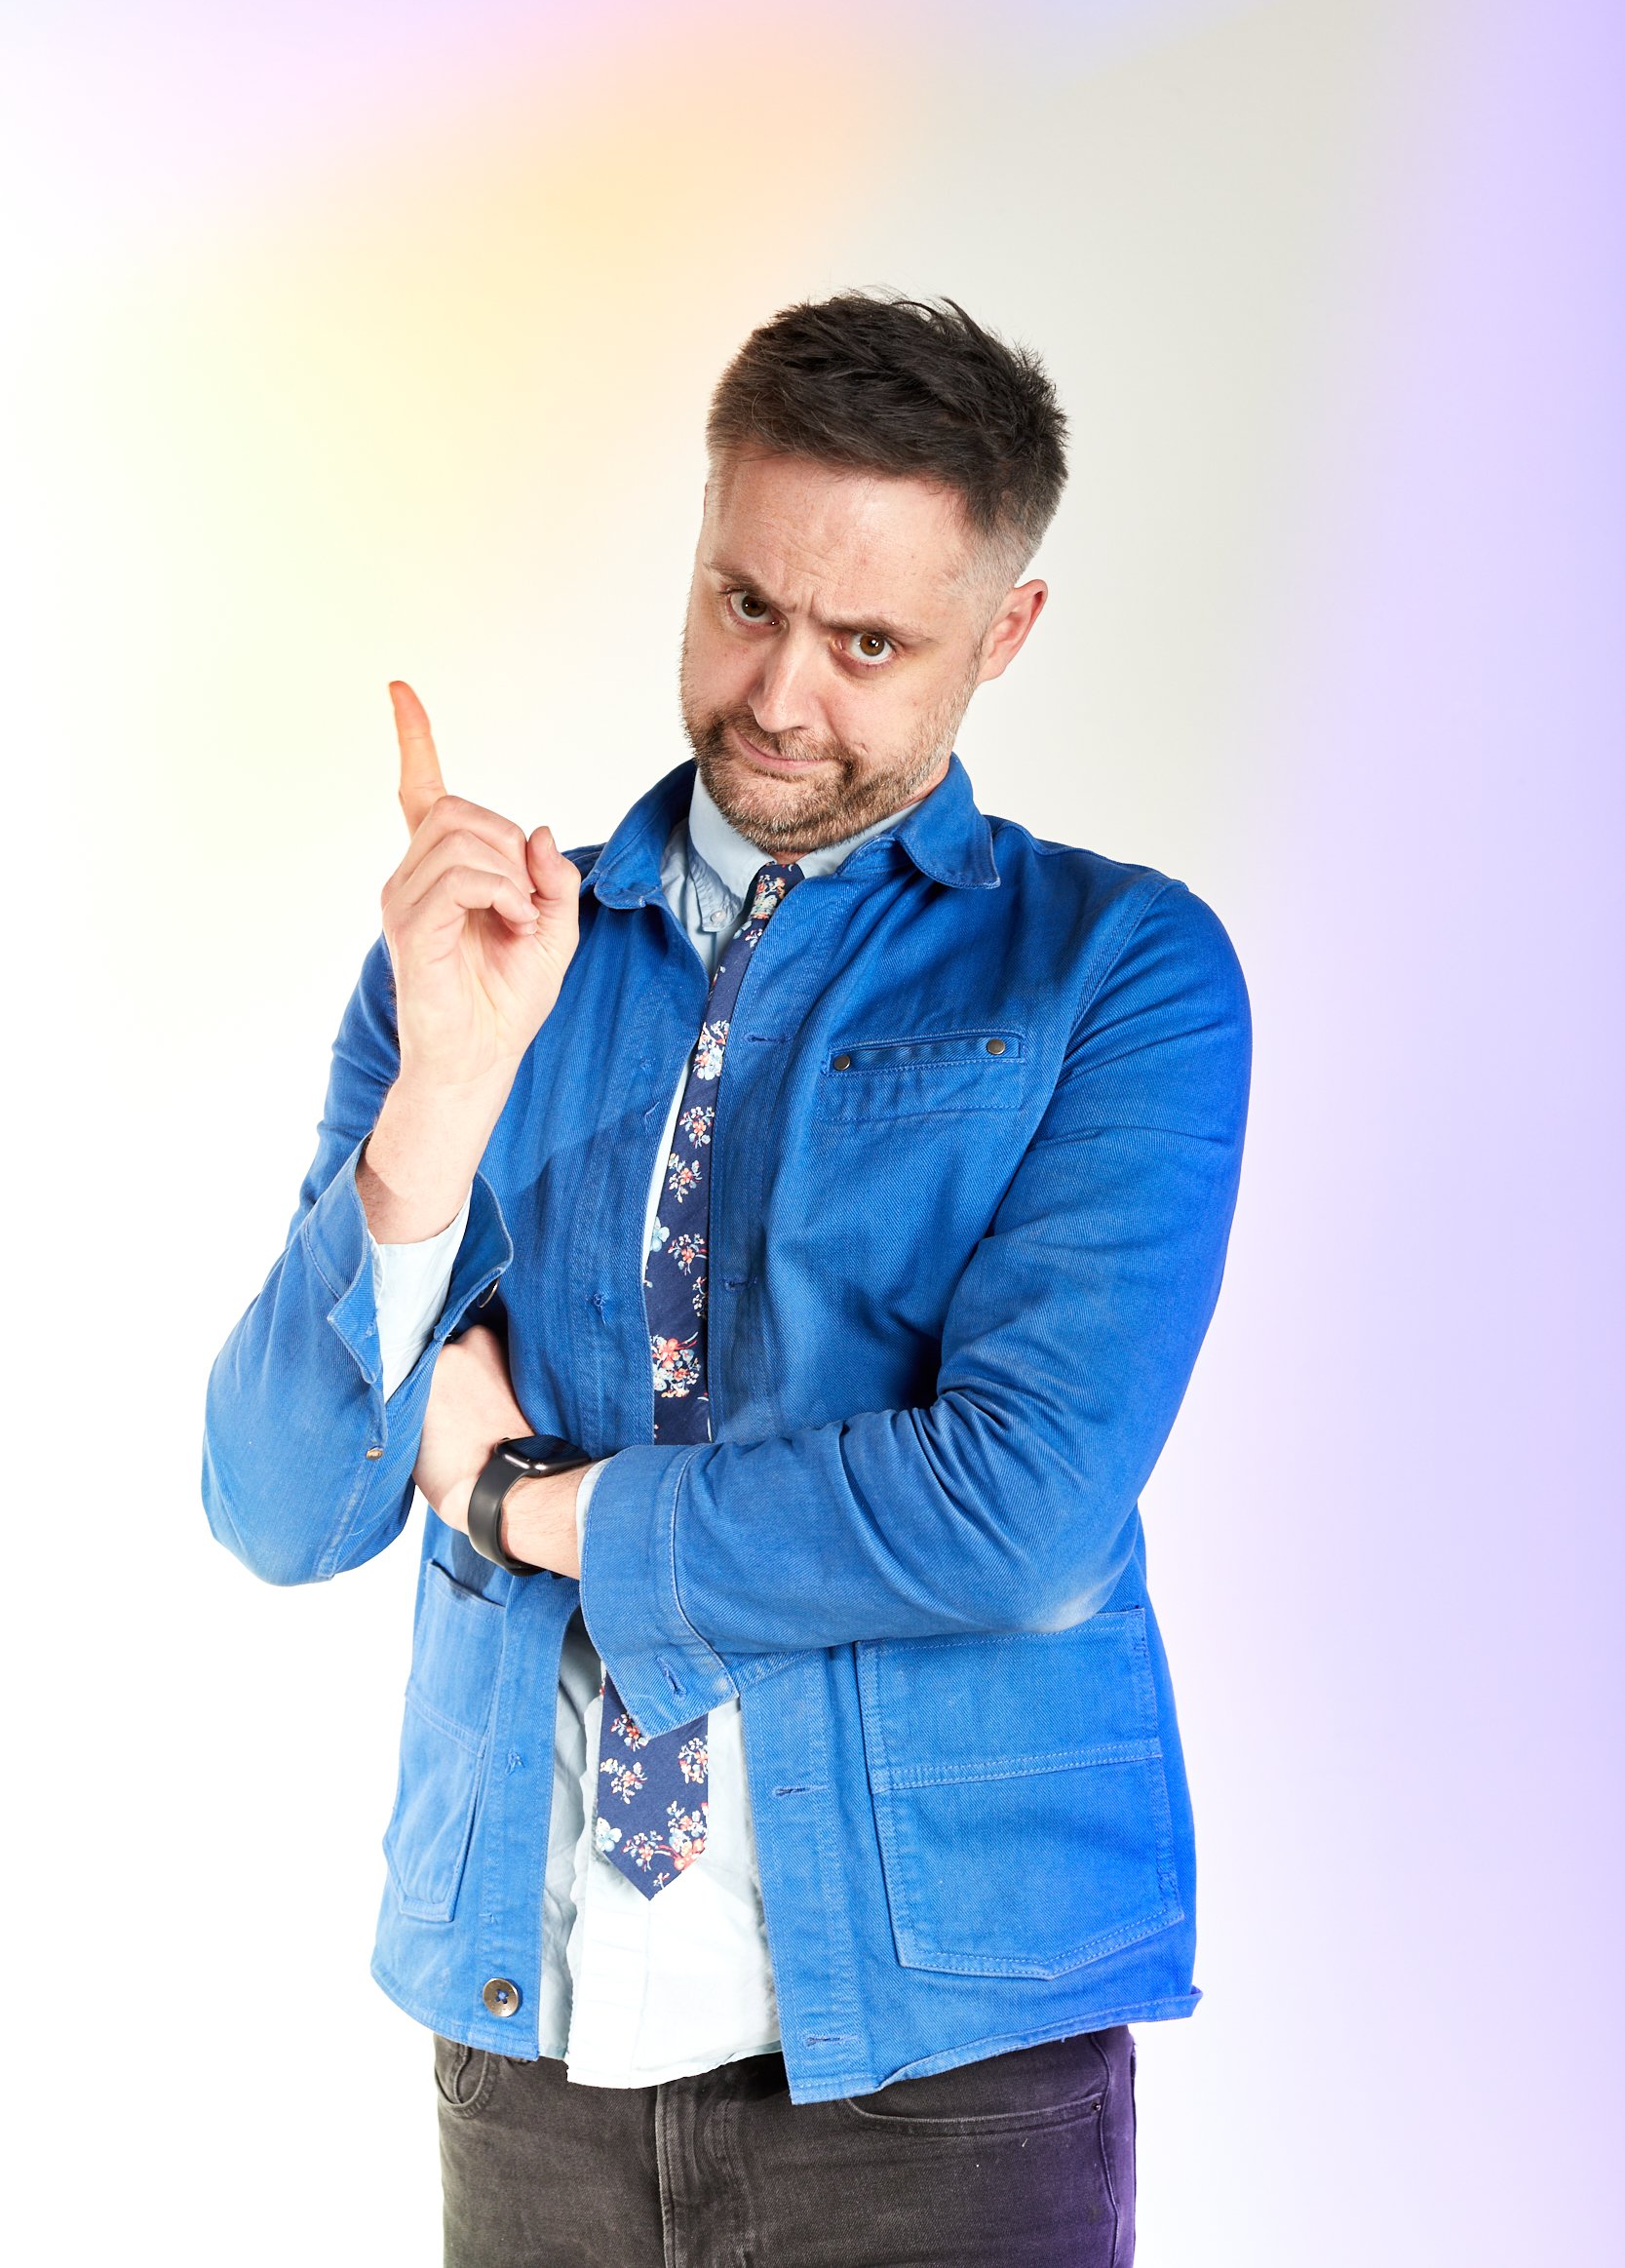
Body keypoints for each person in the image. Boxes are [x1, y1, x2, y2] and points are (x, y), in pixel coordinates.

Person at [203, 291, 1251, 2267]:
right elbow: (277, 1502)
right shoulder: (493, 959)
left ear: (1005, 631)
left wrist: (529, 1500)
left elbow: (1017, 1508)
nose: (779, 694)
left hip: (940, 2060)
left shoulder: (1117, 971)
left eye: (868, 644)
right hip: (528, 2042)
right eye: (744, 602)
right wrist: (442, 1094)